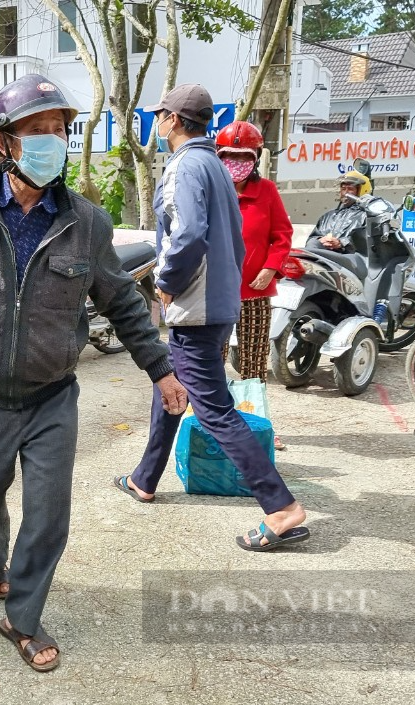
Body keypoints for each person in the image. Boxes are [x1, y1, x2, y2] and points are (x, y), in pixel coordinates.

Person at [0, 74, 187, 673]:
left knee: (50, 512)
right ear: (5, 141)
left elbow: (123, 302)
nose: (51, 141)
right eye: (38, 130)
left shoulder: (87, 221)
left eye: (59, 130)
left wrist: (160, 369)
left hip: (51, 395)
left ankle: (23, 618)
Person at [115, 83, 309, 553]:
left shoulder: (185, 166)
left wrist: (166, 282)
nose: (158, 124)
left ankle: (280, 507)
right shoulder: (218, 169)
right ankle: (145, 478)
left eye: (160, 116)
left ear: (174, 120)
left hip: (196, 306)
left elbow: (185, 236)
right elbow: (237, 243)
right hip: (220, 300)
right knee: (170, 384)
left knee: (215, 408)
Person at [215, 121, 292, 382]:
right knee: (213, 356)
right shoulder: (211, 191)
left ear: (256, 158)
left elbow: (282, 235)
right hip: (216, 290)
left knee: (254, 360)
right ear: (219, 156)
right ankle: (212, 414)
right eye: (230, 156)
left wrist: (270, 268)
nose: (236, 162)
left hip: (254, 289)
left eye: (244, 156)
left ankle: (253, 414)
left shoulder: (267, 191)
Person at [304, 171, 370, 254]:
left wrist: (341, 243)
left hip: (348, 263)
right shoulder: (328, 216)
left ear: (361, 191)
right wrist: (319, 241)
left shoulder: (366, 216)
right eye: (343, 189)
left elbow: (367, 243)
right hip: (324, 261)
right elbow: (311, 240)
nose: (345, 193)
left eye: (350, 189)